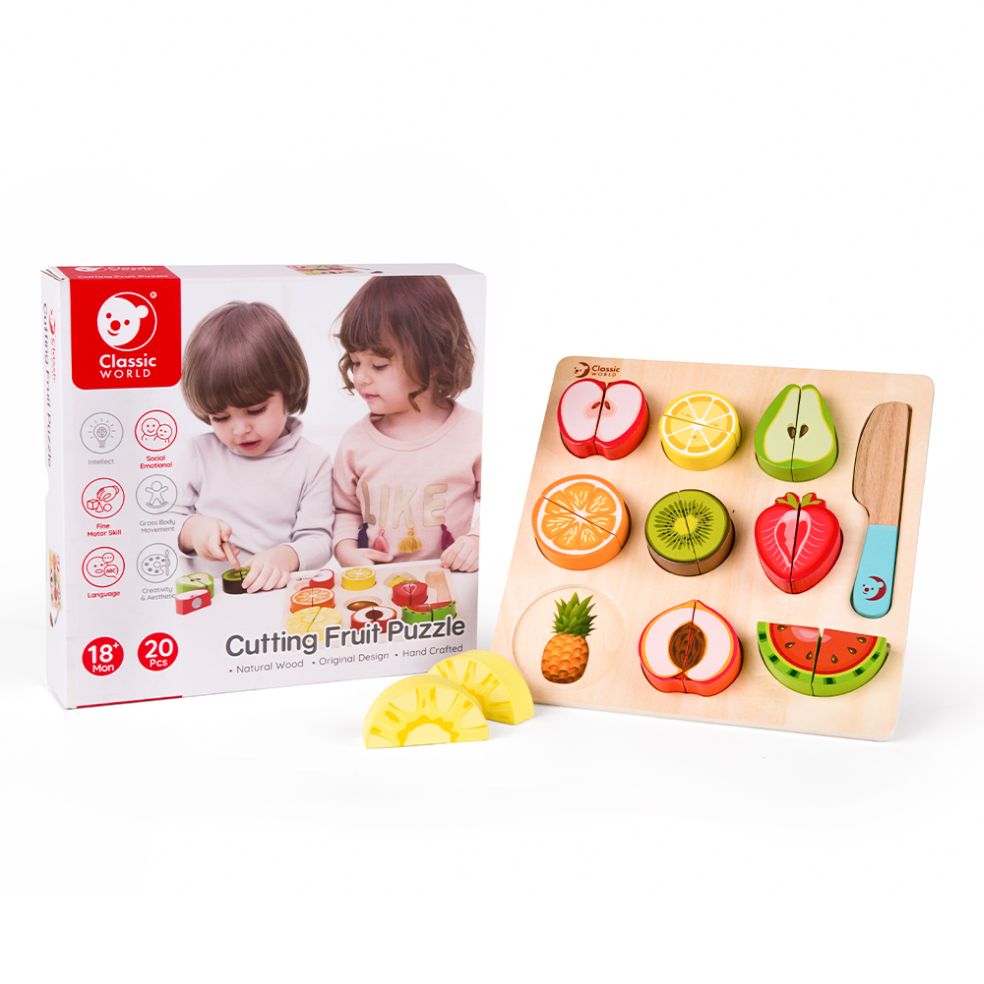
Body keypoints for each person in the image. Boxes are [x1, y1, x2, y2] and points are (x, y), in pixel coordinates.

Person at [173, 301, 333, 592]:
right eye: (220, 417)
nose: (239, 429)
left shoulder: (312, 462)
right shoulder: (199, 454)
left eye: (256, 410)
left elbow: (319, 539)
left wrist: (286, 556)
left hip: (278, 598)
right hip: (208, 600)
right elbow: (161, 523)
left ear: (288, 392)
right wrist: (193, 531)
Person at [331, 276, 481, 571]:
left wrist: (478, 539)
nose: (360, 377)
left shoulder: (474, 433)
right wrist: (347, 551)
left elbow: (508, 502)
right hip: (377, 585)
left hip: (450, 584)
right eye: (355, 362)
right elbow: (346, 510)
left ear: (433, 359)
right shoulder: (355, 443)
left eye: (378, 365)